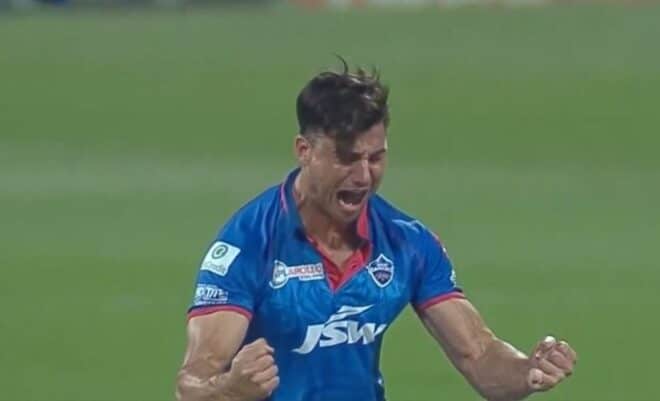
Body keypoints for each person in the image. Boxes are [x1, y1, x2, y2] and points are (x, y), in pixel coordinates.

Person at [175, 61, 577, 401]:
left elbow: (481, 357)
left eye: (376, 158)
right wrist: (230, 389)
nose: (364, 176)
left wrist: (527, 371)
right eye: (347, 158)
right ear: (304, 151)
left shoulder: (406, 244)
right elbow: (191, 384)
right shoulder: (248, 244)